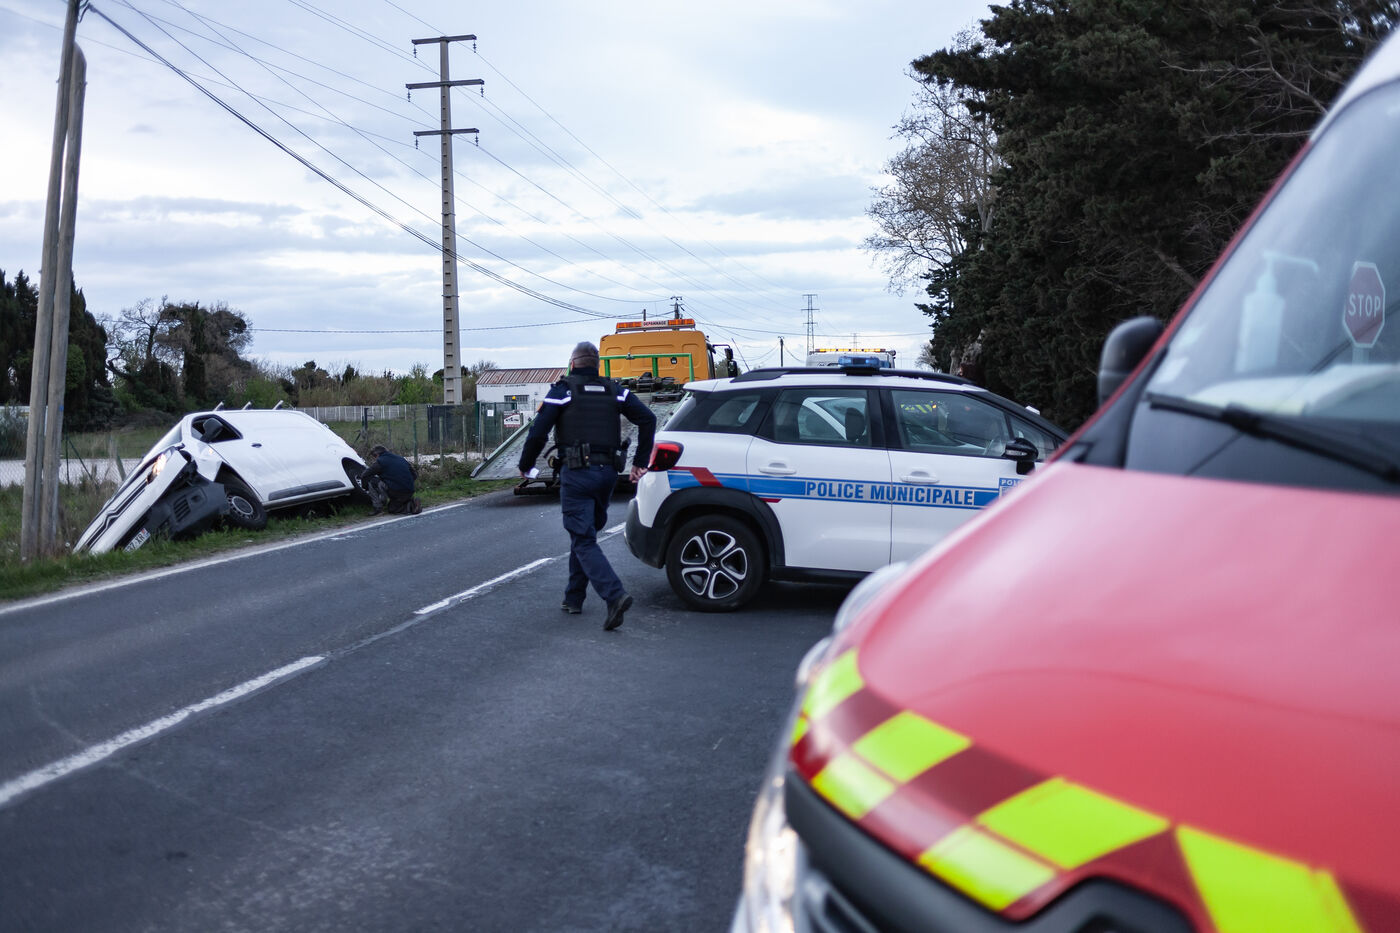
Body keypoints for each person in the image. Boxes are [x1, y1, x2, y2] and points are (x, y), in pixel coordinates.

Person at [519, 341, 656, 630]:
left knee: (582, 538)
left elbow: (538, 433)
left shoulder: (563, 391)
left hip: (577, 474)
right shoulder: (614, 390)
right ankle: (574, 597)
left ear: (572, 364)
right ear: (597, 365)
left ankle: (614, 595)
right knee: (585, 533)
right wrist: (640, 462)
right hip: (608, 475)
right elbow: (648, 418)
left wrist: (526, 465)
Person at [360, 444, 422, 515]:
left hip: (396, 492)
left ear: (376, 455)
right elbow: (414, 475)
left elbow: (364, 475)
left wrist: (364, 487)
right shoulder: (400, 458)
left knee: (372, 482)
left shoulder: (380, 462)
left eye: (374, 457)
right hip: (409, 490)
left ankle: (377, 508)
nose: (374, 460)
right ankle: (411, 503)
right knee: (392, 507)